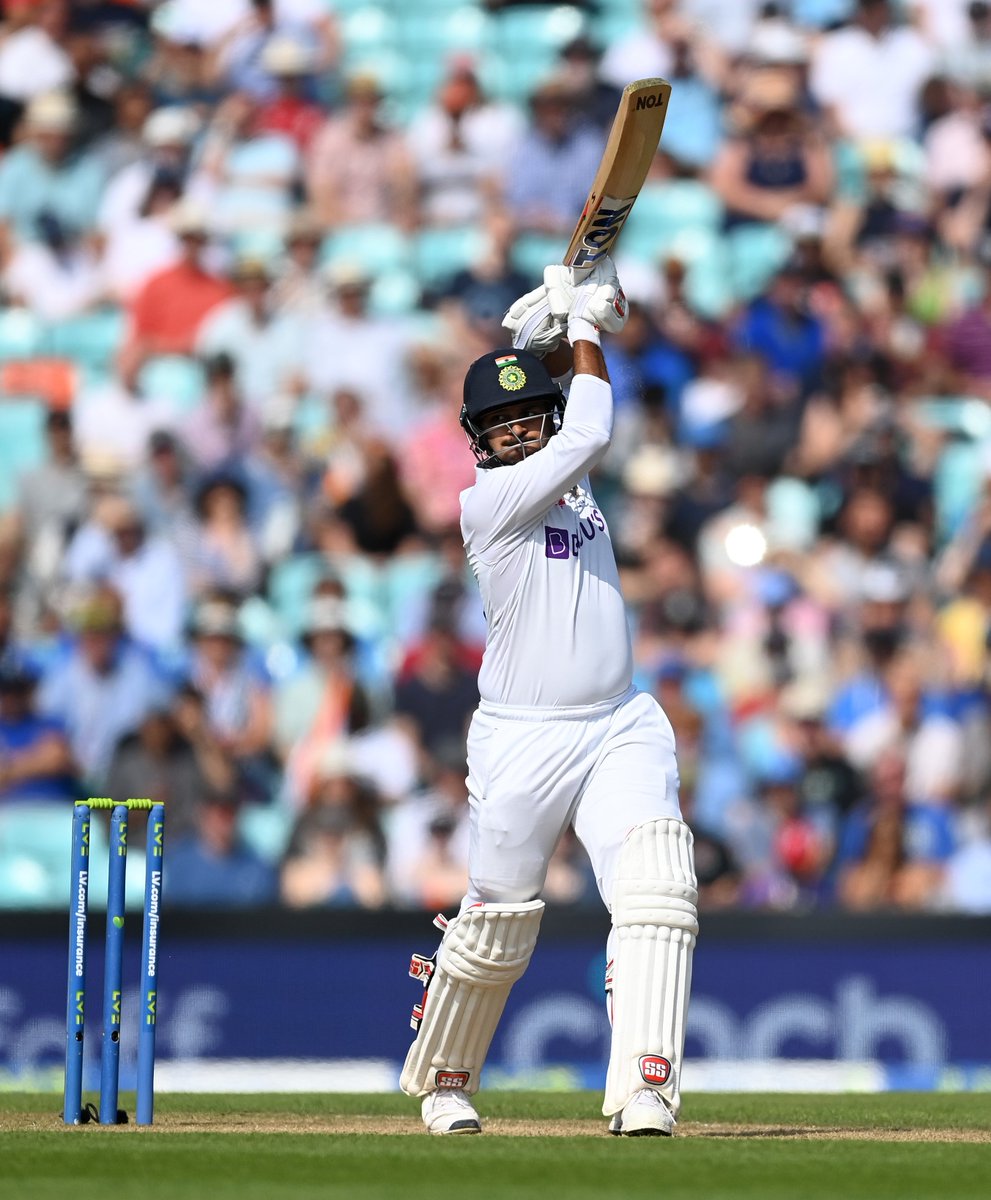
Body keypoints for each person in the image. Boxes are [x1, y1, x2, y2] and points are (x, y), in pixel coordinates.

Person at [399, 259, 698, 1138]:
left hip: (619, 721)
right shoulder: (489, 502)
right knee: (499, 918)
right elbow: (592, 421)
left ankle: (646, 1088)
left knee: (655, 891)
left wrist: (563, 324)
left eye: (526, 419)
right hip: (523, 738)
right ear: (476, 441)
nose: (515, 435)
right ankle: (445, 1080)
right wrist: (584, 330)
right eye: (497, 426)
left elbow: (576, 410)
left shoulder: (567, 474)